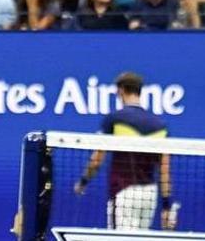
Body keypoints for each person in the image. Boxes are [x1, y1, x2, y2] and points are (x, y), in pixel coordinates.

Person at [74, 72, 174, 231]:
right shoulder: (159, 125)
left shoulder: (115, 119)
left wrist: (83, 181)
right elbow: (165, 169)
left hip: (123, 193)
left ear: (120, 90)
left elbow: (97, 159)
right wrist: (167, 204)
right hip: (149, 195)